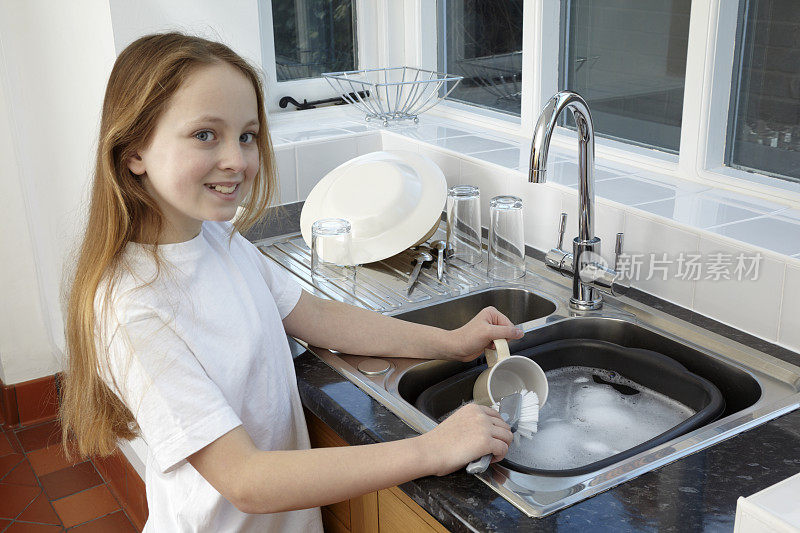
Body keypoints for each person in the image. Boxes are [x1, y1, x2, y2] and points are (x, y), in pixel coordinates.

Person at [59, 32, 523, 532]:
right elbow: (246, 479)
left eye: (247, 135)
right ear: (134, 152)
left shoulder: (218, 239)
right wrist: (432, 449)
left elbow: (319, 318)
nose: (237, 160)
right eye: (204, 135)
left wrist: (450, 343)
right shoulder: (133, 307)